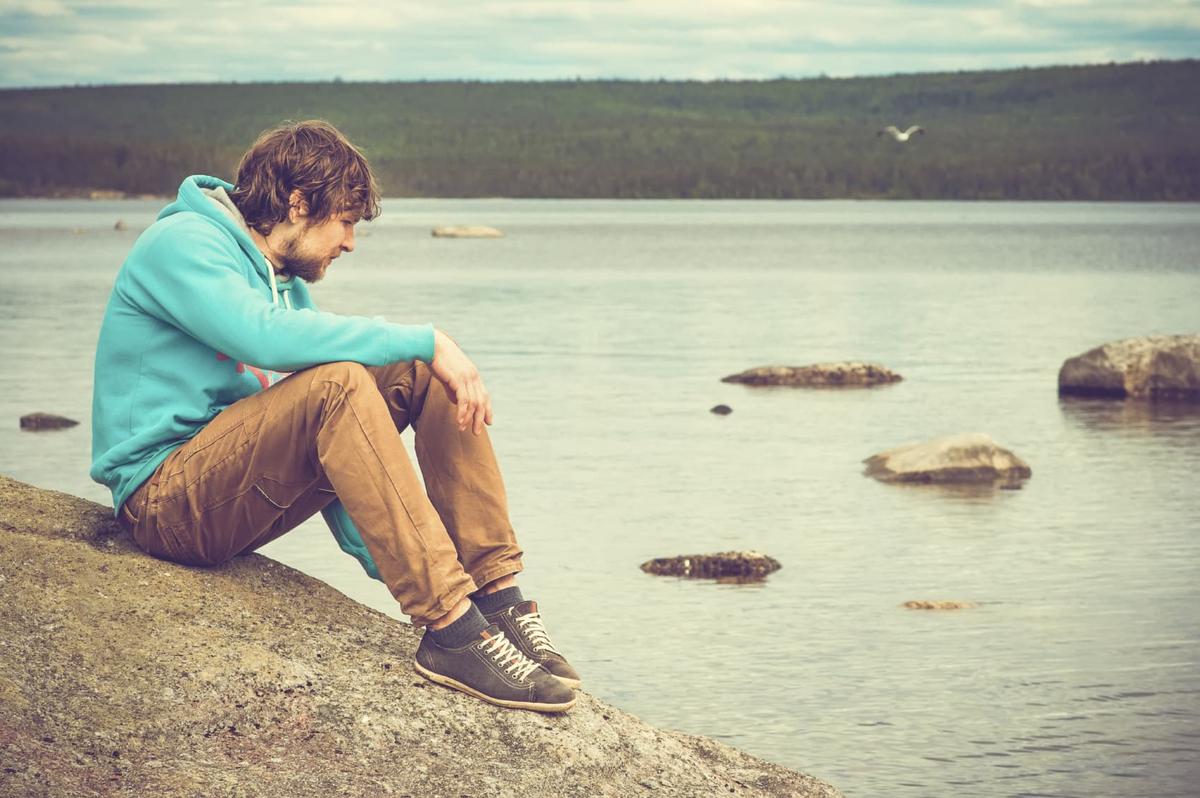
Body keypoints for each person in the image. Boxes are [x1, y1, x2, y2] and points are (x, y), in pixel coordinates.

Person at [90, 120, 579, 713]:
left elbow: (345, 456)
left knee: (416, 372)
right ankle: (453, 630)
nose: (349, 241)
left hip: (228, 495)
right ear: (298, 203)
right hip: (164, 501)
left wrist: (410, 570)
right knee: (349, 376)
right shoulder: (183, 244)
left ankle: (494, 600)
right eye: (345, 221)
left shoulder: (283, 281)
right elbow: (261, 337)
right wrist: (427, 336)